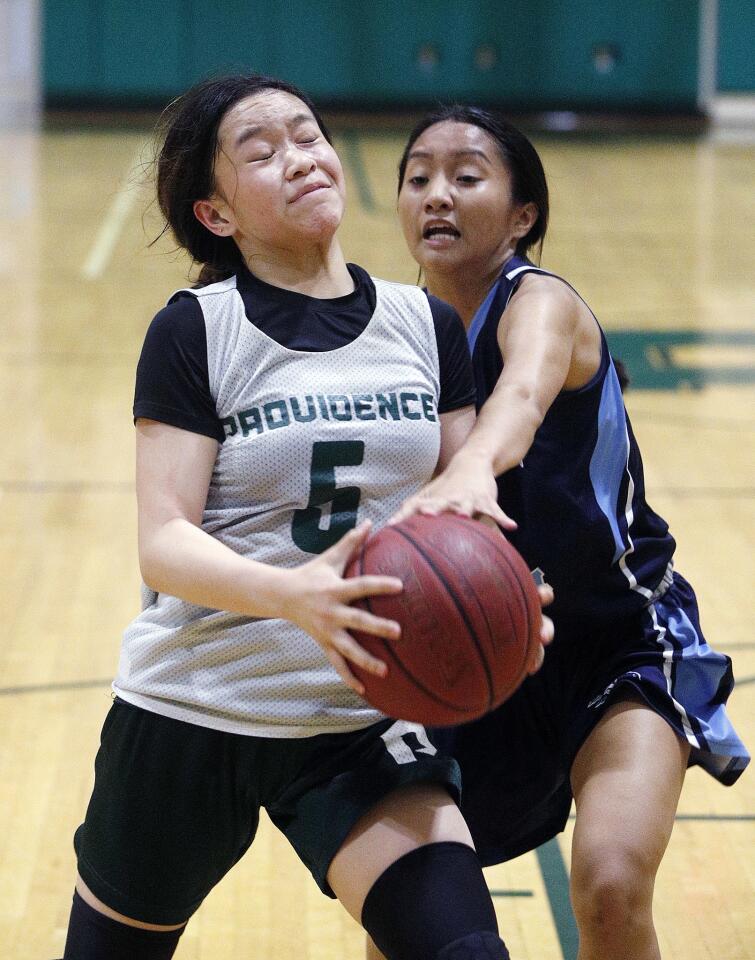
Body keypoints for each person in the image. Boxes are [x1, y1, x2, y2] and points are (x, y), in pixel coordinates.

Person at [59, 78, 551, 960]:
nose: (301, 157)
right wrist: (296, 597)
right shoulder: (197, 331)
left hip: (359, 714)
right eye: (262, 150)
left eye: (308, 135)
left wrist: (516, 596)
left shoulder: (421, 323)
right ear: (216, 214)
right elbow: (164, 540)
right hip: (196, 706)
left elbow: (466, 508)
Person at [387, 105, 750, 960]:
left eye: (466, 175)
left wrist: (473, 469)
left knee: (612, 882)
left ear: (522, 217)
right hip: (472, 652)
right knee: (413, 918)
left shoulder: (540, 302)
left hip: (614, 639)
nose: (438, 194)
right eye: (418, 177)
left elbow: (522, 391)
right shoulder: (397, 333)